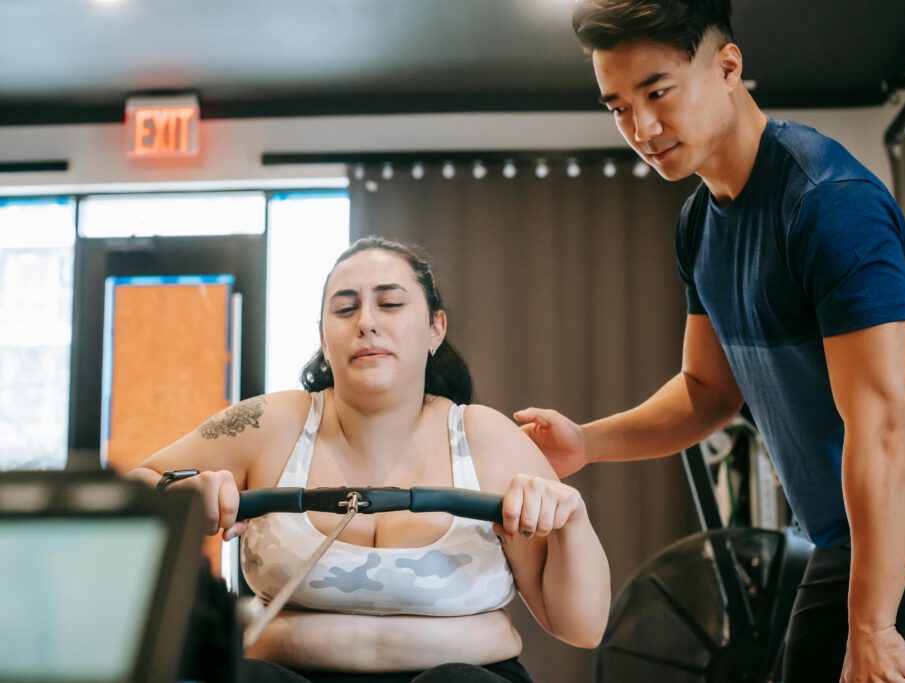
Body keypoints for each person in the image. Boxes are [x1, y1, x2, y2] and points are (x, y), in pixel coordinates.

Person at [514, 2, 905, 682]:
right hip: (850, 521)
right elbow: (706, 392)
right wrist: (587, 440)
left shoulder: (827, 203)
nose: (642, 128)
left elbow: (883, 427)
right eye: (618, 107)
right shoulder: (700, 226)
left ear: (728, 66)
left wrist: (871, 628)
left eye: (657, 92)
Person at [128, 236, 610, 683]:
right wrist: (185, 495)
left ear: (435, 328)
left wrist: (571, 518)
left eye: (391, 303)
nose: (367, 322)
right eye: (345, 308)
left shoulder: (488, 438)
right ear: (323, 336)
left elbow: (581, 628)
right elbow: (135, 487)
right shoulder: (269, 422)